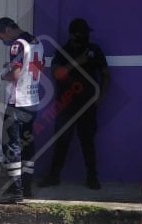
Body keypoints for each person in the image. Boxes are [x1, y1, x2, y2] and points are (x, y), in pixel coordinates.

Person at [40, 18, 109, 190]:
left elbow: (105, 74)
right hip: (66, 105)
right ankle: (53, 176)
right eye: (81, 33)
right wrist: (78, 61)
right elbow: (57, 74)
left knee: (87, 142)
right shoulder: (62, 52)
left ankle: (92, 177)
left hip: (87, 104)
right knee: (61, 142)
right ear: (73, 35)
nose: (85, 36)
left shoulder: (94, 50)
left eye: (85, 33)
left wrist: (100, 95)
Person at [0, 17, 44, 201]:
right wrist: (11, 67)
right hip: (33, 100)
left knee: (11, 145)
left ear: (7, 30)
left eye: (2, 37)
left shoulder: (17, 45)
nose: (4, 41)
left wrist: (2, 76)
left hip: (18, 102)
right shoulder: (37, 42)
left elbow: (15, 75)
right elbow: (31, 68)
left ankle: (16, 191)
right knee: (28, 143)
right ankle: (27, 186)